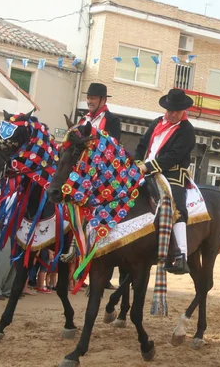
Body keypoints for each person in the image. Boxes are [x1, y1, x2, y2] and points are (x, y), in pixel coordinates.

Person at [136, 88, 195, 274]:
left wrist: (149, 166)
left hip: (172, 173)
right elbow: (142, 144)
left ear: (182, 111)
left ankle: (180, 254)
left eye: (175, 111)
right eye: (169, 110)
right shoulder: (156, 122)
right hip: (144, 169)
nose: (171, 114)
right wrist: (137, 161)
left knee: (176, 204)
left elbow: (174, 156)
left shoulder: (187, 130)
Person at [80, 82, 122, 289]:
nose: (89, 101)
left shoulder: (112, 121)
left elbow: (112, 148)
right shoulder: (83, 119)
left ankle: (104, 274)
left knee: (107, 220)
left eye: (93, 98)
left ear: (103, 100)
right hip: (82, 175)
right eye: (88, 97)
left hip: (103, 176)